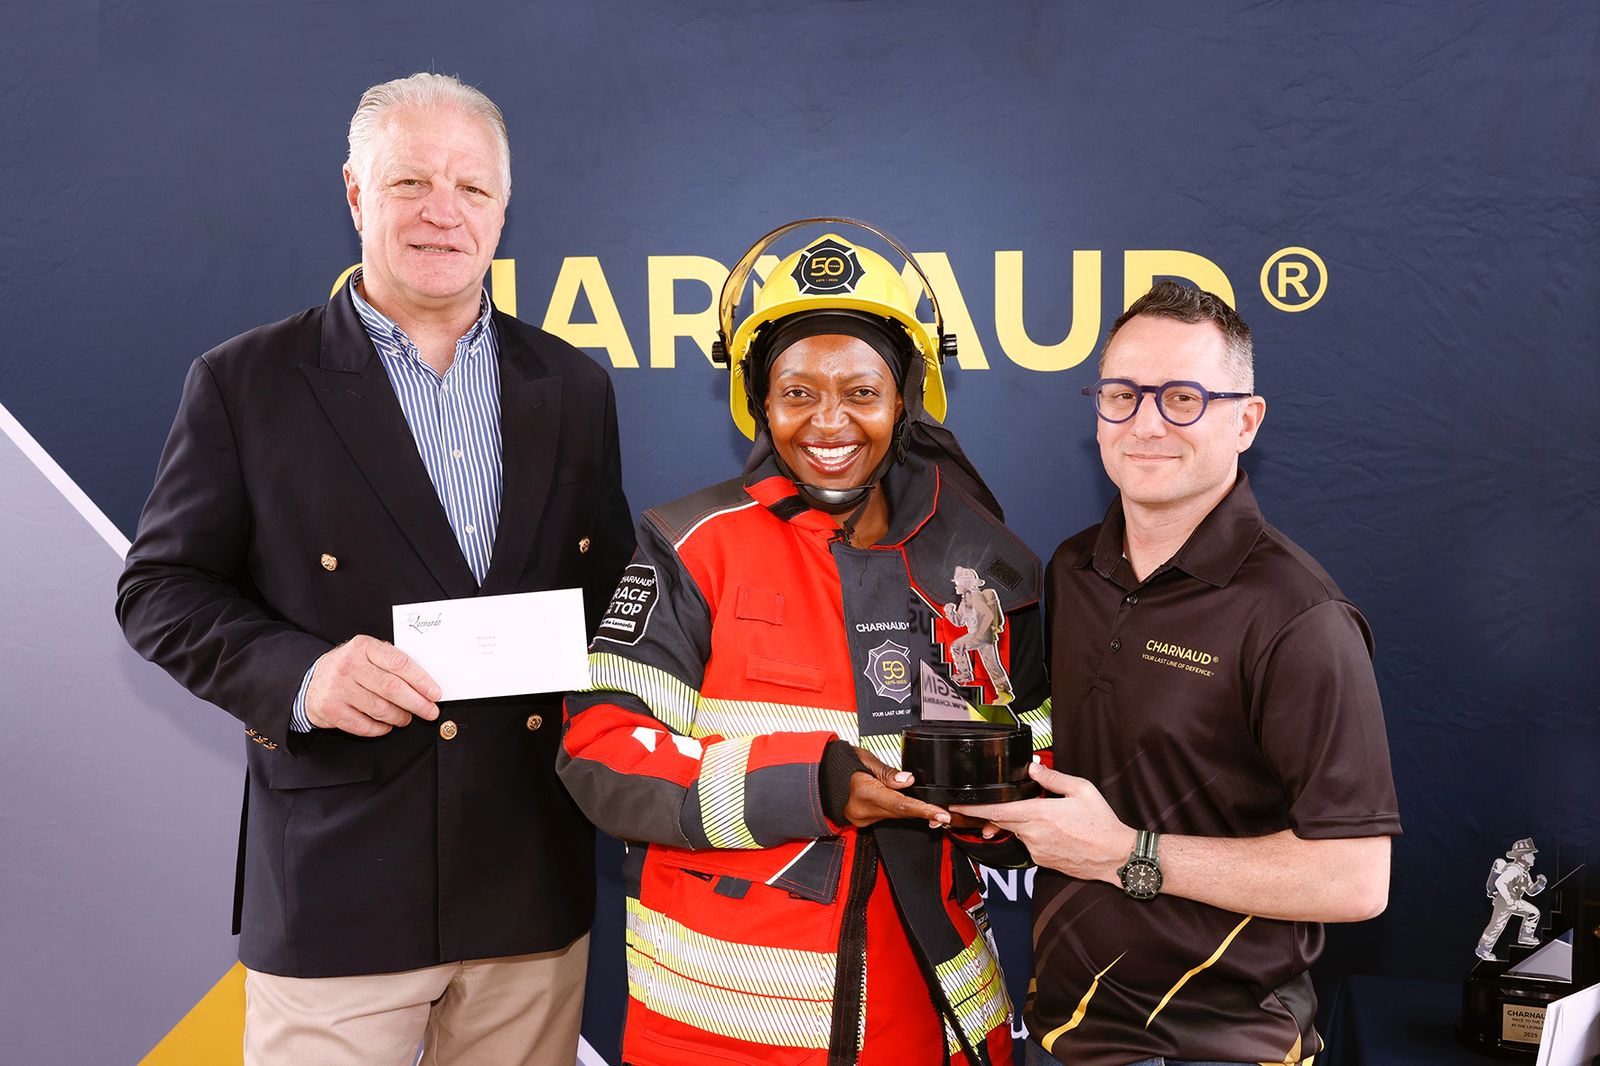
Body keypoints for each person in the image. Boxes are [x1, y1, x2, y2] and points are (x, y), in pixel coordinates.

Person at [116, 73, 633, 1065]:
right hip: (338, 882)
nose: (443, 212)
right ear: (356, 194)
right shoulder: (246, 382)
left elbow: (610, 601)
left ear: (503, 208)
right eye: (410, 183)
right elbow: (158, 591)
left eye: (471, 188)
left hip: (528, 881)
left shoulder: (572, 385)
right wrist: (305, 676)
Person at [558, 222, 1052, 1066]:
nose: (829, 422)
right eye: (797, 392)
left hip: (929, 1021)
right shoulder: (691, 545)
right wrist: (813, 785)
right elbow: (603, 752)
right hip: (718, 1038)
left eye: (861, 391)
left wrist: (991, 807)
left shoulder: (984, 560)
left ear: (905, 399)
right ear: (759, 400)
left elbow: (1042, 750)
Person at [957, 281, 1402, 1066]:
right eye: (1122, 395)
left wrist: (1127, 852)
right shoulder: (1073, 570)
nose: (1146, 423)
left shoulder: (1299, 615)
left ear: (1246, 421)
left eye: (1183, 398)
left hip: (1220, 1047)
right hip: (1063, 1033)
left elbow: (1354, 880)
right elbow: (1103, 770)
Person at [1475, 838, 1546, 961]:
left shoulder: (1524, 873)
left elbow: (1530, 891)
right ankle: (1483, 949)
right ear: (1523, 856)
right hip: (1504, 901)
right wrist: (1508, 900)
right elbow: (1500, 882)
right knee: (1497, 926)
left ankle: (1525, 936)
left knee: (1534, 912)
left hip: (1514, 901)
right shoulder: (1514, 869)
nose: (1534, 857)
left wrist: (1540, 884)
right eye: (1531, 854)